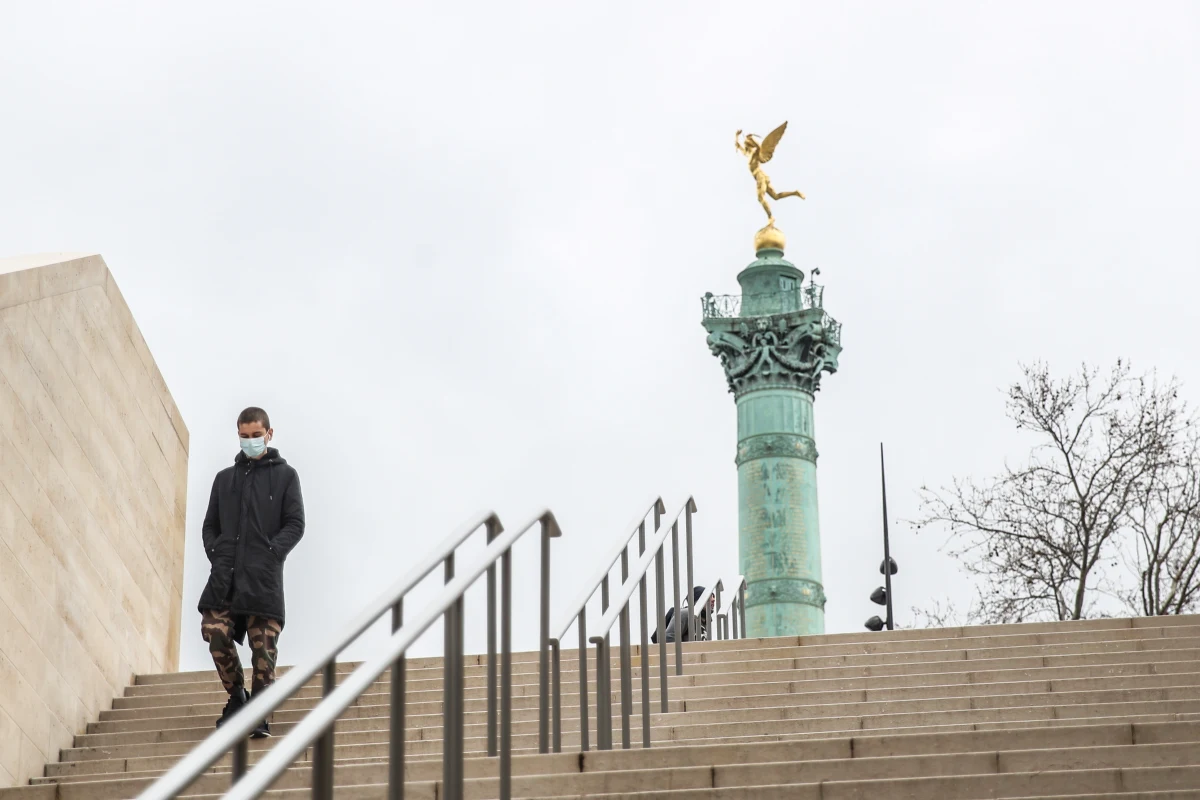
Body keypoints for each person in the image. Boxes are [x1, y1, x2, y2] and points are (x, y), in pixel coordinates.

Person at [198, 407, 305, 737]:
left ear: (269, 434)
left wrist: (272, 553)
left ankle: (258, 712)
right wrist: (217, 554)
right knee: (214, 631)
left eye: (256, 436)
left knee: (263, 648)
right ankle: (237, 697)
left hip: (263, 580)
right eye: (244, 437)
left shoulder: (286, 477)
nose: (250, 442)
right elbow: (210, 526)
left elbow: (295, 523)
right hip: (225, 578)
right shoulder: (224, 479)